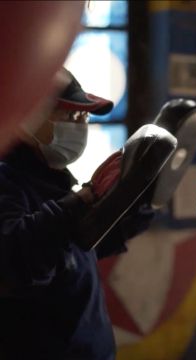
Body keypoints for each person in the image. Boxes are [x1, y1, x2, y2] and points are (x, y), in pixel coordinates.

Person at [0, 68, 154, 359]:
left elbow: (83, 246)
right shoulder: (8, 181)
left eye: (85, 117)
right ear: (29, 118)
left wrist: (138, 204)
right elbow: (15, 258)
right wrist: (83, 199)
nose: (82, 126)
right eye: (71, 116)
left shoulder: (55, 180)